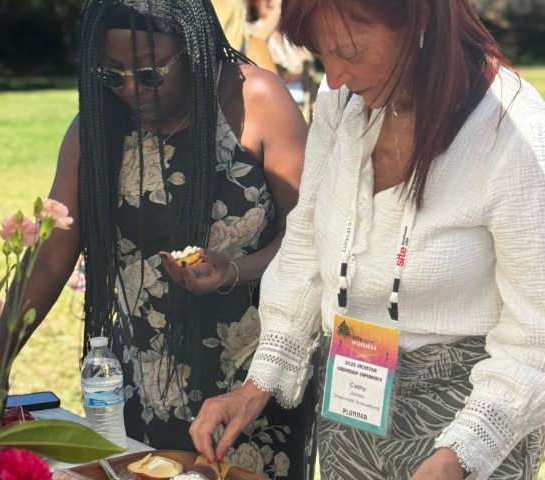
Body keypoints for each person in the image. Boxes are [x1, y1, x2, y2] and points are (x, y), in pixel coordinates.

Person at [189, 0, 545, 479]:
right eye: (321, 55)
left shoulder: (516, 133)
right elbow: (305, 243)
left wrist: (460, 456)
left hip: (470, 418)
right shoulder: (345, 103)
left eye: (349, 52)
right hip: (354, 405)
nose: (333, 77)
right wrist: (258, 383)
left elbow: (536, 336)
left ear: (418, 24)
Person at [0, 0, 317, 477]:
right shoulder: (96, 127)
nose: (129, 90)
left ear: (195, 49)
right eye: (111, 73)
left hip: (253, 392)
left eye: (149, 74)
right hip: (141, 393)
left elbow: (311, 243)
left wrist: (233, 270)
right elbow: (49, 258)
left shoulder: (258, 103)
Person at [247, 0, 318, 121]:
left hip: (305, 119)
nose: (269, 1)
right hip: (275, 121)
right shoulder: (248, 32)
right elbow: (256, 39)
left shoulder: (292, 36)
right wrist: (282, 7)